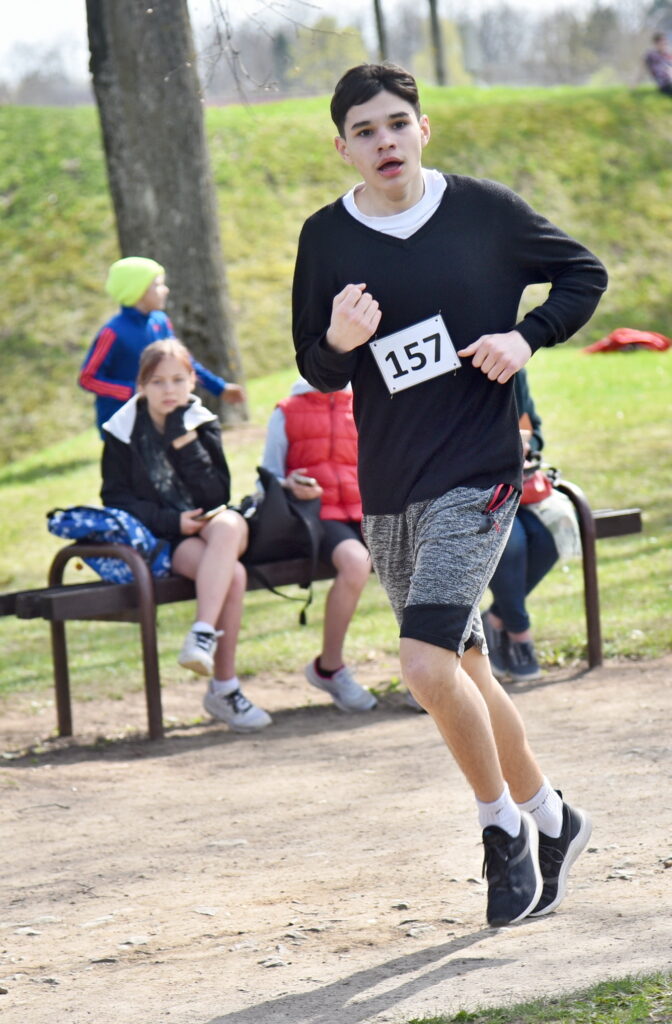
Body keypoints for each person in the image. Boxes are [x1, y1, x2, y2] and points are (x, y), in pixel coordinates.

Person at [292, 63, 607, 927]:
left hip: (479, 471)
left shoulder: (483, 212)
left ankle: (501, 830)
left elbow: (583, 275)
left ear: (423, 129)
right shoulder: (327, 238)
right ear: (343, 148)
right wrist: (338, 339)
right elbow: (315, 368)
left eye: (397, 123)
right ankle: (555, 819)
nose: (384, 141)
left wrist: (526, 337)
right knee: (462, 670)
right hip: (392, 485)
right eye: (365, 131)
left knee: (424, 664)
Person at [101, 337, 271, 733]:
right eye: (157, 381)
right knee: (235, 576)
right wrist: (173, 522)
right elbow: (116, 500)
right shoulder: (122, 430)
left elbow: (217, 495)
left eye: (178, 380)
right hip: (167, 539)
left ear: (193, 381)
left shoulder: (199, 421)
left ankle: (201, 633)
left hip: (215, 530)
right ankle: (224, 688)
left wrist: (183, 440)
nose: (169, 390)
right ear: (141, 385)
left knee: (229, 522)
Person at [261, 378, 377, 713]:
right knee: (356, 562)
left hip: (369, 511)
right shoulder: (287, 411)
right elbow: (266, 477)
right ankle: (329, 668)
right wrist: (290, 484)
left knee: (417, 555)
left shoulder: (368, 401)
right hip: (319, 516)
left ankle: (427, 669)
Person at [79, 256, 245, 435]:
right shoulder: (112, 333)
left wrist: (219, 388)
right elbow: (88, 378)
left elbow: (183, 363)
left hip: (159, 419)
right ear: (138, 290)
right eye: (158, 285)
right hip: (122, 426)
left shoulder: (161, 322)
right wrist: (133, 391)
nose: (165, 290)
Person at [483, 368, 559, 683]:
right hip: (472, 489)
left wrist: (527, 446)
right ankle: (520, 635)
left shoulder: (514, 367)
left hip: (517, 485)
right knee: (510, 541)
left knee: (549, 538)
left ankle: (495, 619)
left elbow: (533, 429)